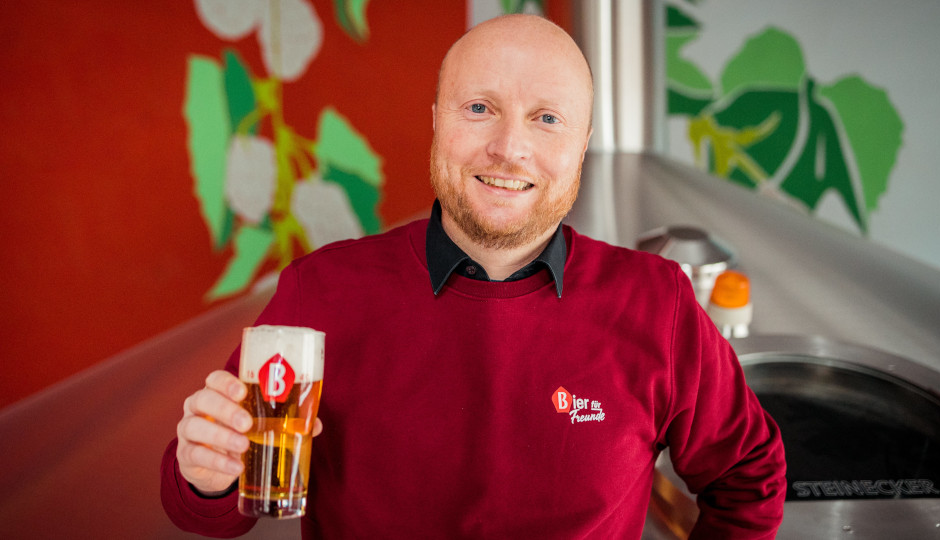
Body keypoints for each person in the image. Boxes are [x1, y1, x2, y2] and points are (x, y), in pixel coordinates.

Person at [161, 14, 786, 539]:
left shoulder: (658, 302)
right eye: (480, 108)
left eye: (547, 118)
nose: (509, 147)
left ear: (583, 142)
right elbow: (212, 506)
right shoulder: (321, 290)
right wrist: (206, 475)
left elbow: (750, 478)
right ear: (438, 119)